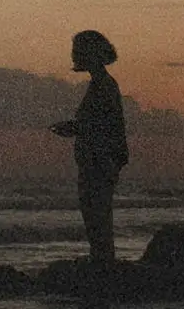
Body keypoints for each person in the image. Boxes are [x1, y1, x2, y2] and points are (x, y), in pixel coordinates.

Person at [51, 30, 128, 270]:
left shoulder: (103, 85)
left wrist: (73, 128)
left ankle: (102, 263)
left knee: (96, 214)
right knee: (97, 214)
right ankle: (102, 260)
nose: (73, 55)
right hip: (99, 159)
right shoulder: (102, 84)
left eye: (77, 51)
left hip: (99, 160)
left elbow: (101, 125)